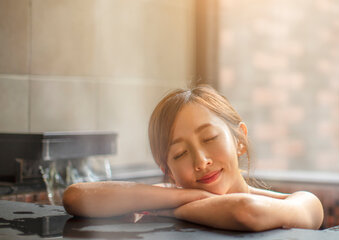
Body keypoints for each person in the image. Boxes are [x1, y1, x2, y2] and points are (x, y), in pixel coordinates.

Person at [63, 85, 324, 231]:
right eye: (180, 154)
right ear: (167, 168)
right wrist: (183, 196)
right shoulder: (169, 196)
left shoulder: (304, 203)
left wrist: (171, 208)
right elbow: (75, 197)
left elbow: (245, 211)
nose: (200, 162)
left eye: (210, 139)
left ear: (239, 141)